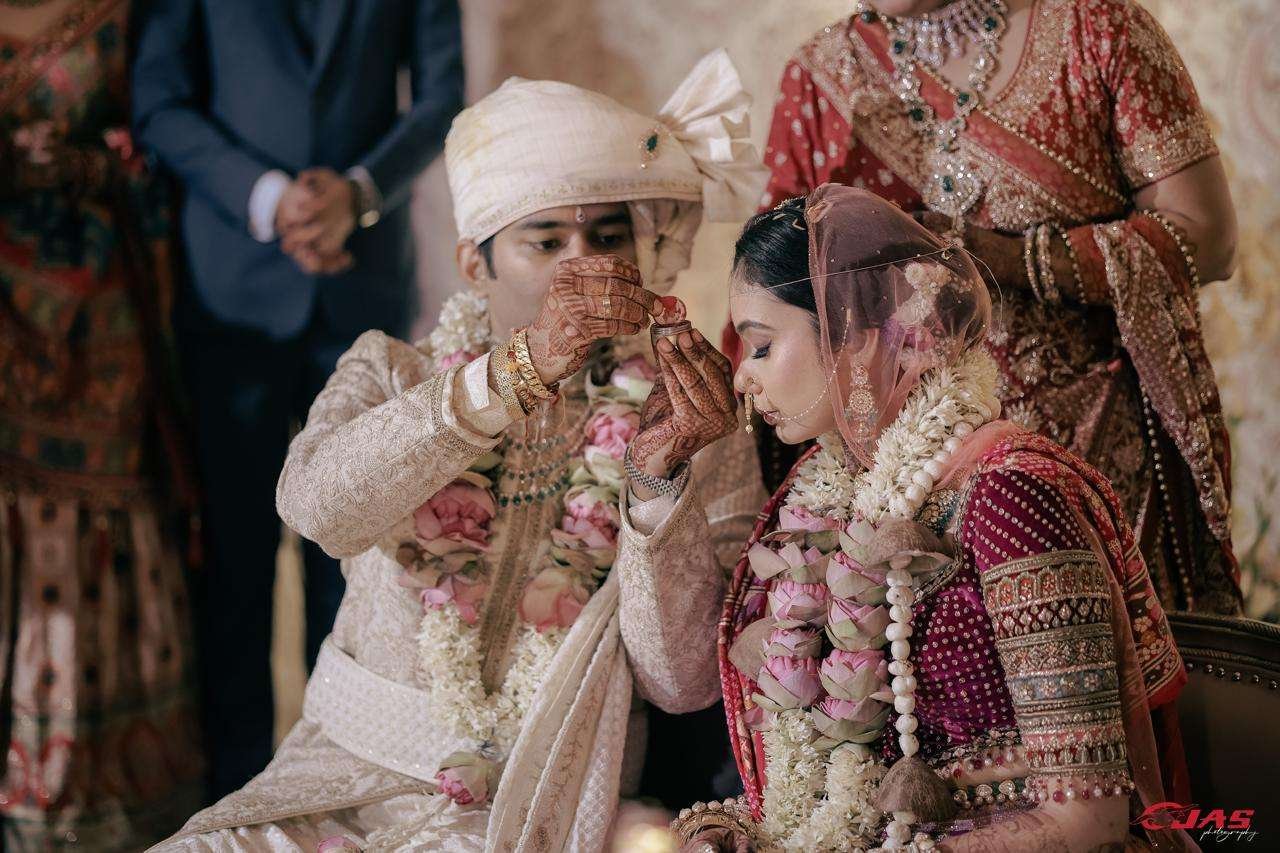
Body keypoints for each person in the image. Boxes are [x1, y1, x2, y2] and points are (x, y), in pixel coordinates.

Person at [150, 50, 769, 852]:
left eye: (608, 236)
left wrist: (655, 478)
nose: (584, 263)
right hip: (340, 778)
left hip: (547, 796)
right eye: (545, 241)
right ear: (474, 263)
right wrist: (512, 375)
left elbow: (681, 680)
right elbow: (315, 508)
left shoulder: (686, 422)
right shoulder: (390, 370)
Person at [673, 185, 1195, 852]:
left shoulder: (1011, 496)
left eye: (761, 346)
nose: (742, 379)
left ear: (856, 334)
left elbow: (1090, 823)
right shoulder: (820, 505)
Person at [732, 0, 1240, 615]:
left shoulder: (1097, 32)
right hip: (911, 484)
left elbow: (1207, 237)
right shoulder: (822, 78)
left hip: (1098, 443)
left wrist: (1011, 259)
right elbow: (779, 292)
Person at [129, 0, 465, 797]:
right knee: (233, 563)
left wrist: (360, 193)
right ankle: (230, 796)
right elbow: (158, 101)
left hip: (360, 294)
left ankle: (332, 792)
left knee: (353, 569)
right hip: (230, 298)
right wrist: (266, 196)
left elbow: (441, 97)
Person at [0, 0, 205, 847]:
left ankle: (90, 798)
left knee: (93, 518)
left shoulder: (128, 15)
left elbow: (165, 147)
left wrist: (89, 166)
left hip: (96, 317)